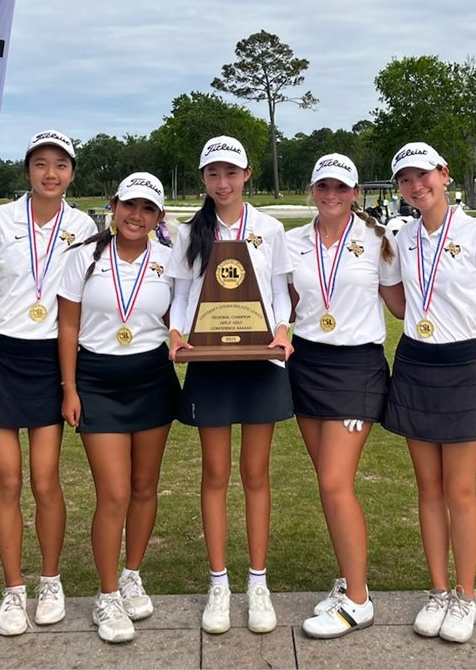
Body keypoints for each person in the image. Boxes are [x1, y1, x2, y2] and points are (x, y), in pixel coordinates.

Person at [0, 130, 97, 637]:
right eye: (41, 164)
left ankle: (51, 580)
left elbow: (85, 298)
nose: (50, 173)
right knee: (8, 478)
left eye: (61, 165)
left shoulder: (82, 226)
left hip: (52, 358)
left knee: (44, 479)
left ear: (72, 173)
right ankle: (13, 589)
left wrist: (71, 383)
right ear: (27, 172)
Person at [383, 142, 476, 644]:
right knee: (428, 489)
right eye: (406, 180)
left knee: (459, 490)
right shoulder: (401, 236)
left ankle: (464, 596)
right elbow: (397, 305)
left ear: (444, 173)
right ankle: (437, 591)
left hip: (464, 367)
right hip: (415, 363)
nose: (417, 187)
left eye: (424, 176)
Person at [167, 136, 294, 636]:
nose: (223, 183)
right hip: (210, 362)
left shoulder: (270, 228)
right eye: (213, 174)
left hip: (261, 361)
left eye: (231, 173)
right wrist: (177, 332)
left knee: (256, 473)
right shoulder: (189, 232)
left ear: (247, 175)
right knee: (216, 473)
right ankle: (218, 583)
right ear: (203, 179)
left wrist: (282, 331)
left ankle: (256, 582)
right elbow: (180, 295)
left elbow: (281, 295)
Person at [285, 154, 404, 638]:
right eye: (322, 186)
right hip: (306, 364)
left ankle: (358, 600)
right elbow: (284, 304)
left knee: (336, 483)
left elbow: (399, 305)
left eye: (341, 187)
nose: (331, 194)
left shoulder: (379, 240)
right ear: (312, 189)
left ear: (355, 192)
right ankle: (348, 580)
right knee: (327, 483)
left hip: (357, 368)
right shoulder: (292, 241)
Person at [57, 172, 179, 643]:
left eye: (148, 209)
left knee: (146, 487)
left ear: (158, 217)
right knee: (114, 493)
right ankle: (106, 597)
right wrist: (70, 389)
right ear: (114, 206)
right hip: (97, 381)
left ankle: (132, 573)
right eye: (129, 205)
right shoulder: (83, 258)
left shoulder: (169, 261)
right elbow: (68, 327)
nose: (136, 216)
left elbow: (178, 320)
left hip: (152, 379)